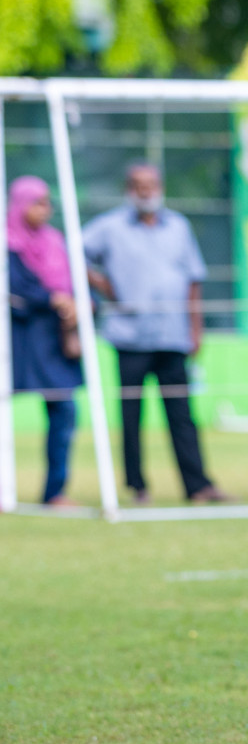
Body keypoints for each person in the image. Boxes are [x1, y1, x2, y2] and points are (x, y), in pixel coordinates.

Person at [82, 163, 229, 504]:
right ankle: (137, 486)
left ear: (160, 187)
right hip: (130, 335)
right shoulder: (109, 227)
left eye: (152, 184)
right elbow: (71, 251)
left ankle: (198, 486)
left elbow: (193, 279)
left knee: (182, 416)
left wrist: (196, 327)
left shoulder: (178, 226)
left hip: (172, 334)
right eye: (139, 184)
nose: (146, 191)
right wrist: (102, 284)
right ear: (128, 189)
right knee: (132, 416)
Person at [7, 177, 81, 505]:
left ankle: (55, 491)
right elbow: (16, 286)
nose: (45, 209)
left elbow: (74, 279)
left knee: (64, 411)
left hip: (53, 340)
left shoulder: (55, 241)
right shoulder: (7, 243)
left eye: (47, 202)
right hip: (16, 340)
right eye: (37, 202)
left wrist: (77, 302)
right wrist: (53, 298)